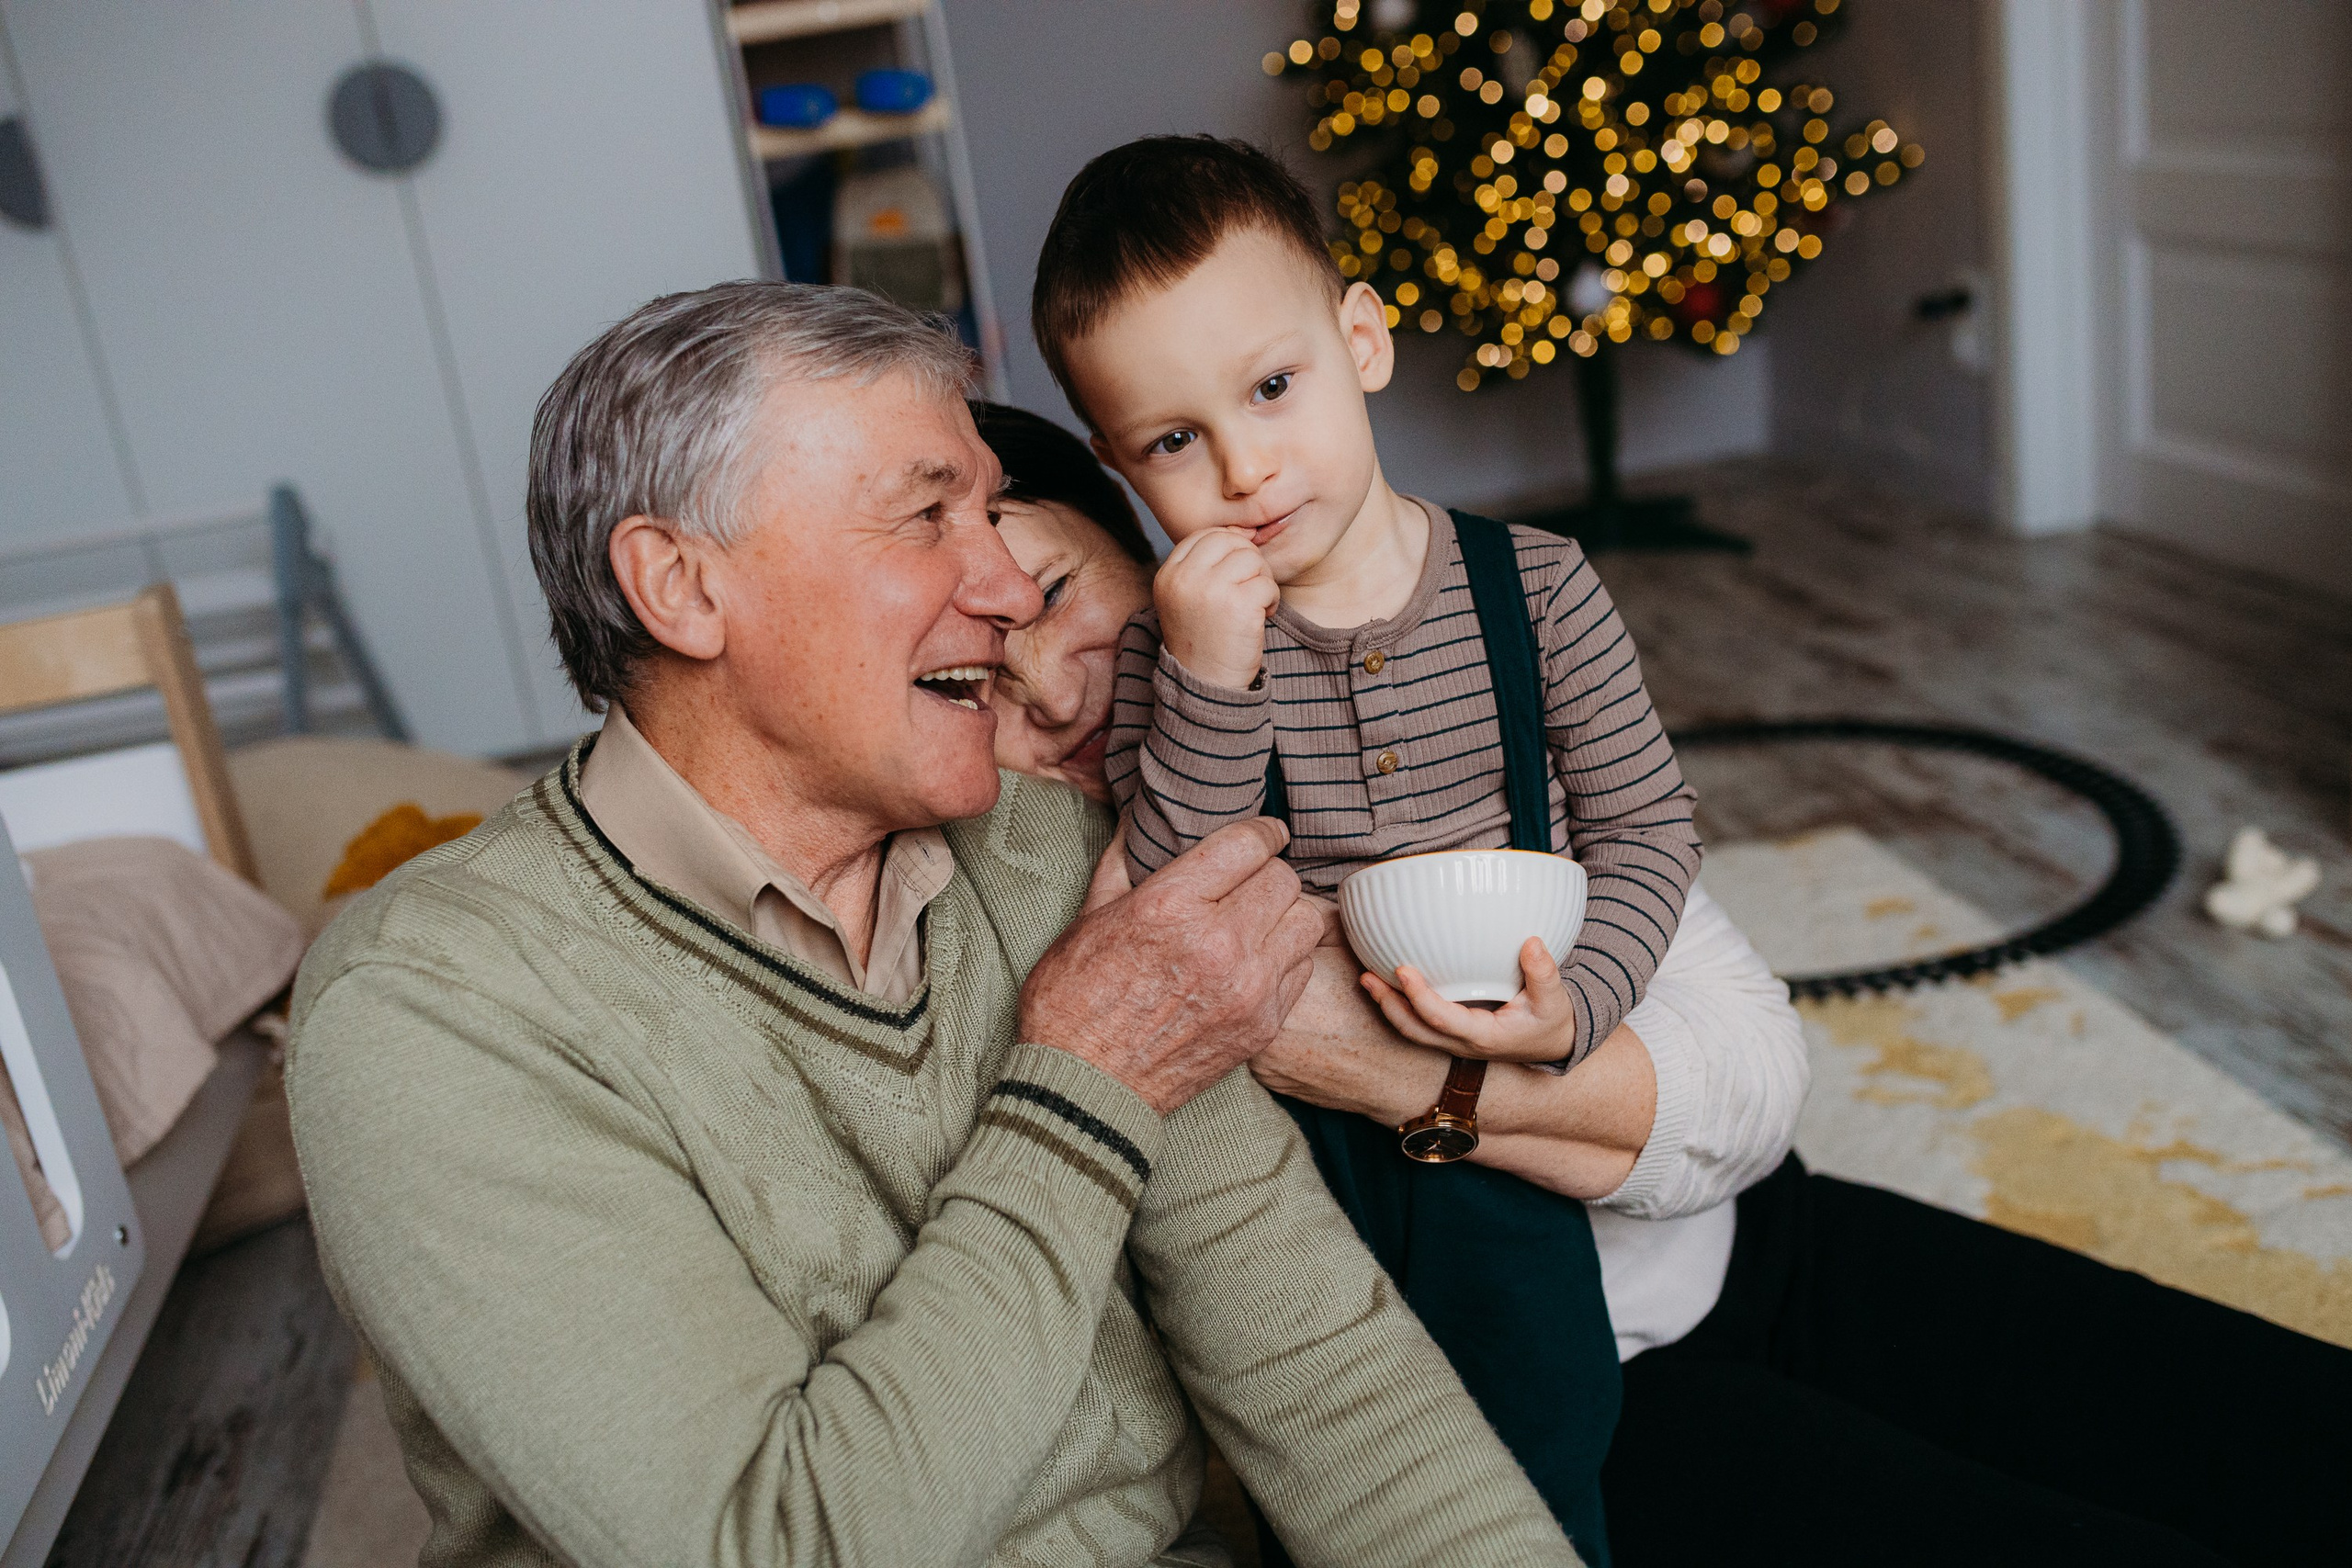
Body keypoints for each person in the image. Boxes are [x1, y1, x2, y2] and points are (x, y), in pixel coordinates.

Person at [285, 283, 1584, 1568]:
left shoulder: (1047, 854)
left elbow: (1331, 1379)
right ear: (680, 587)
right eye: (926, 517)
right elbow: (774, 1548)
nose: (1009, 588)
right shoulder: (429, 1010)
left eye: (990, 512)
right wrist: (1087, 1083)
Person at [977, 406, 2352, 1568]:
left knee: (2289, 1424)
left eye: (1052, 594)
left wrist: (1410, 1074)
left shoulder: (1398, 702)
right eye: (969, 682)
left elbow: (1753, 1075)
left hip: (1754, 1240)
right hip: (1527, 1444)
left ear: (1146, 544)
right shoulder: (1043, 947)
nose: (1052, 693)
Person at [1030, 134, 1704, 1560]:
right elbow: (1173, 897)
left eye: (1272, 389)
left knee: (1543, 1430)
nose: (1245, 468)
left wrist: (1578, 1005)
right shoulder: (1176, 654)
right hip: (1288, 1152)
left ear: (1363, 342)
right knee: (1321, 1462)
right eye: (1173, 442)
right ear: (1117, 461)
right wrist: (1213, 677)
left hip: (1493, 1112)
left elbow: (1648, 828)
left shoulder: (1537, 588)